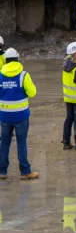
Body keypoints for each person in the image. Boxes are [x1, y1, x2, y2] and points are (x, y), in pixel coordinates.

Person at [0, 48, 39, 179]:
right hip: (21, 115)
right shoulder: (23, 75)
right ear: (17, 59)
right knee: (21, 142)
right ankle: (25, 171)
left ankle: (2, 171)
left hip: (4, 115)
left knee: (5, 142)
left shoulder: (0, 75)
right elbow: (32, 93)